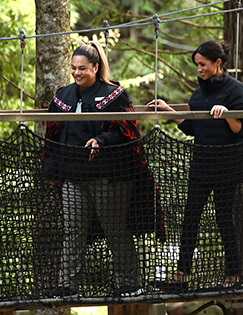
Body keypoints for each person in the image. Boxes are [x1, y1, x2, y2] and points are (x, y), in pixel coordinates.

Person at [43, 40, 162, 297]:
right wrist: (52, 172)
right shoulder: (62, 96)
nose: (77, 73)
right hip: (72, 177)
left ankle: (130, 284)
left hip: (109, 177)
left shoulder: (114, 94)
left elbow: (127, 131)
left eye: (82, 68)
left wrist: (102, 140)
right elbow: (52, 136)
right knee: (73, 230)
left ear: (95, 68)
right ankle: (67, 287)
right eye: (74, 68)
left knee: (115, 229)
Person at [147, 40, 243, 289]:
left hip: (227, 166)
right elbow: (192, 127)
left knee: (224, 219)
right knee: (190, 219)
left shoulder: (238, 91)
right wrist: (169, 110)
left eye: (203, 64)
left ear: (218, 63)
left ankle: (233, 276)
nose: (199, 69)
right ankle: (181, 276)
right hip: (202, 164)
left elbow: (242, 130)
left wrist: (226, 113)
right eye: (197, 64)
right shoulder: (200, 92)